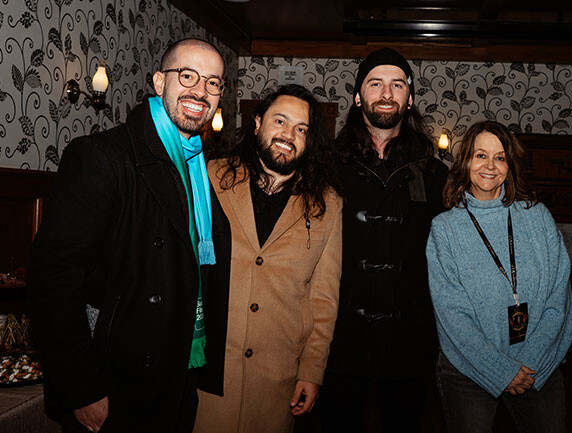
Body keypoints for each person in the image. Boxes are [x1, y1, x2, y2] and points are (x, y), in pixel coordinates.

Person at [28, 38, 231, 433]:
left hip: (178, 372)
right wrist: (81, 389)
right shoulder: (102, 157)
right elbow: (52, 280)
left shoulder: (196, 166)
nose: (200, 92)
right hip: (117, 385)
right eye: (187, 76)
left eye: (213, 83)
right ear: (159, 82)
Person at [192, 84, 342, 433]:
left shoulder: (328, 204)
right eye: (280, 121)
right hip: (209, 375)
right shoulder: (209, 178)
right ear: (257, 123)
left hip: (278, 383)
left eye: (301, 129)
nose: (288, 135)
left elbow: (324, 299)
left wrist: (312, 371)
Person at [320, 47, 448, 433]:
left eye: (397, 85)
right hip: (340, 336)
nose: (387, 93)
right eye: (375, 84)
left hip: (410, 339)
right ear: (358, 96)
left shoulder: (434, 172)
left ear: (410, 98)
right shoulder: (326, 166)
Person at [426, 121, 572, 433]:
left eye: (500, 157)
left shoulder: (537, 217)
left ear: (510, 165)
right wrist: (501, 370)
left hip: (538, 367)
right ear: (466, 161)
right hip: (469, 370)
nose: (489, 166)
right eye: (480, 155)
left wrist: (530, 362)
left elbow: (558, 297)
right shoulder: (445, 228)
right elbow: (452, 314)